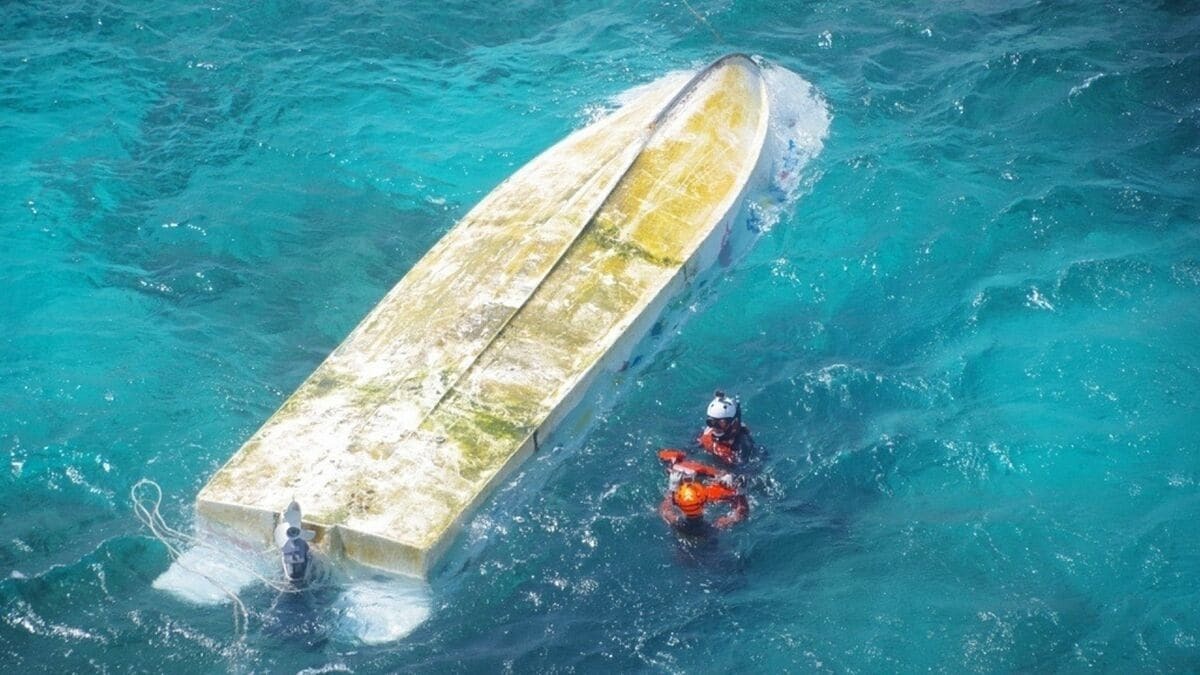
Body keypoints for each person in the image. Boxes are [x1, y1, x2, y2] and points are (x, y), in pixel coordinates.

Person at [657, 449, 748, 530]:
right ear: (704, 501)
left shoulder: (674, 522)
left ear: (679, 503)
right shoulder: (715, 527)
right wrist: (741, 493)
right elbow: (741, 514)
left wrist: (673, 489)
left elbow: (665, 508)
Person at [698, 390, 754, 465]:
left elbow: (744, 470)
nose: (715, 427)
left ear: (733, 423)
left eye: (721, 423)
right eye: (711, 422)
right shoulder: (708, 431)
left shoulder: (742, 444)